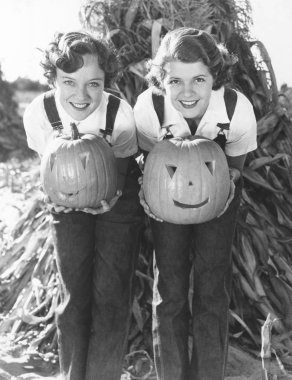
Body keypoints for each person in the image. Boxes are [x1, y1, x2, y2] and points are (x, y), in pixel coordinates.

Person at [133, 27, 257, 380]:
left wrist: (217, 187)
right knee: (169, 289)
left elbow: (234, 170)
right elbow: (149, 164)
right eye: (175, 81)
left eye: (199, 79)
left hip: (219, 195)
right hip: (166, 194)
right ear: (161, 80)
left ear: (215, 77)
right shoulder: (149, 107)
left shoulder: (236, 109)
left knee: (212, 290)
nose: (187, 92)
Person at [23, 30, 143, 380]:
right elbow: (47, 166)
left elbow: (122, 167)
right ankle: (73, 374)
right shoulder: (40, 112)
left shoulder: (119, 113)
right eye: (69, 82)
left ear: (106, 82)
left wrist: (112, 199)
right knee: (73, 295)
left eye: (94, 84)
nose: (81, 94)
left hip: (118, 202)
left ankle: (103, 374)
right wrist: (53, 197)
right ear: (53, 79)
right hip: (67, 202)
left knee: (111, 293)